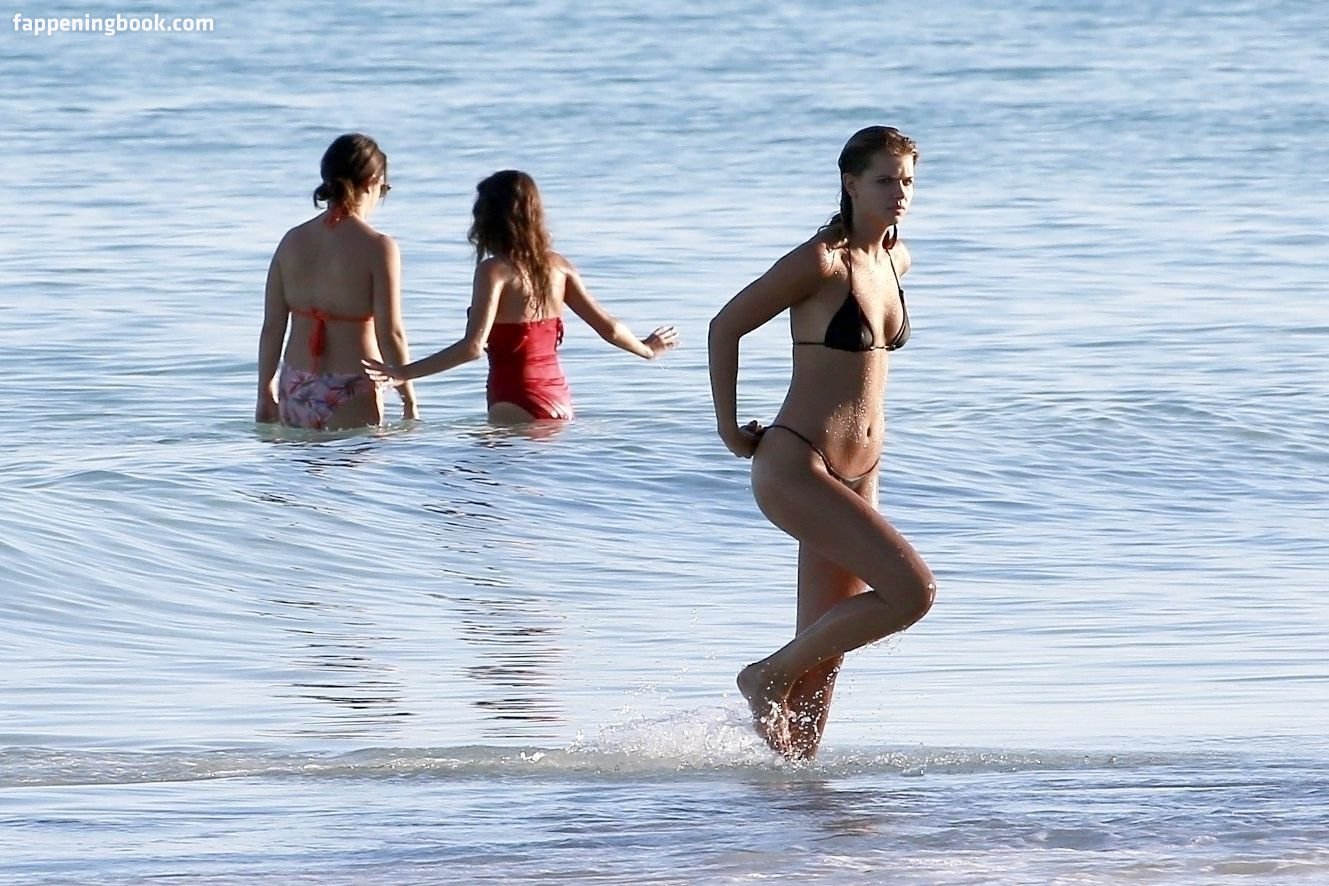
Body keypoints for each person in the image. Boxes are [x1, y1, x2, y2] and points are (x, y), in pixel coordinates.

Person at [707, 126, 936, 760]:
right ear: (851, 184)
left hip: (861, 472)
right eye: (884, 180)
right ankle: (765, 675)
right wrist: (729, 429)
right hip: (799, 463)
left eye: (907, 181)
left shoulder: (897, 259)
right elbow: (724, 327)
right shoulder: (820, 261)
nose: (899, 193)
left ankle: (797, 798)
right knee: (912, 593)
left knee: (824, 663)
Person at [362, 170, 678, 421]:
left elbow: (472, 348)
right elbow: (609, 328)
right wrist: (647, 349)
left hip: (514, 399)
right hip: (559, 400)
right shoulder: (559, 267)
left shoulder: (494, 271)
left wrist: (402, 373)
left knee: (480, 481)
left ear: (488, 219)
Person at [255, 133, 418, 430]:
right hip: (351, 385)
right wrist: (408, 397)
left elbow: (272, 327)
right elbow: (390, 334)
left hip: (295, 383)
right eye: (384, 188)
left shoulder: (291, 241)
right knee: (356, 461)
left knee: (300, 462)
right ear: (372, 181)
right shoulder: (378, 247)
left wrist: (264, 391)